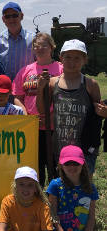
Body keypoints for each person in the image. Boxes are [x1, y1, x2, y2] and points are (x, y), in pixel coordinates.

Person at [36, 39, 101, 176]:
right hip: (60, 146)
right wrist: (40, 89)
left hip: (83, 146)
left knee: (83, 186)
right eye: (68, 57)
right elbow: (43, 111)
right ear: (61, 58)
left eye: (77, 58)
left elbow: (98, 113)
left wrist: (104, 112)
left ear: (85, 59)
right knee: (60, 187)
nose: (72, 62)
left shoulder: (90, 84)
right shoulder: (54, 83)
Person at [12, 32, 63, 186]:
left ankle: (56, 197)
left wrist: (51, 114)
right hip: (32, 127)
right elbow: (17, 96)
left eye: (44, 45)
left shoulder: (60, 68)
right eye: (36, 46)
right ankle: (38, 195)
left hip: (54, 126)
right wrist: (27, 115)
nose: (40, 48)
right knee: (36, 164)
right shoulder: (26, 70)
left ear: (52, 47)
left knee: (55, 164)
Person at [47, 145, 98, 231]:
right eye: (67, 163)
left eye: (76, 163)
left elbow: (91, 216)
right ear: (61, 165)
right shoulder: (55, 185)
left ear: (83, 164)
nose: (72, 167)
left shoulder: (90, 187)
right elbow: (53, 213)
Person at [0, 166, 53, 231]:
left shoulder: (42, 206)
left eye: (30, 185)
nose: (25, 189)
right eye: (21, 184)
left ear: (36, 188)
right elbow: (1, 228)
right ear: (16, 186)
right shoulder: (7, 201)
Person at [0, 2, 35, 80]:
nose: (11, 19)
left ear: (21, 16)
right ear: (3, 19)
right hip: (3, 89)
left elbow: (41, 63)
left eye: (15, 15)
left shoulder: (33, 38)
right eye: (7, 16)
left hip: (27, 88)